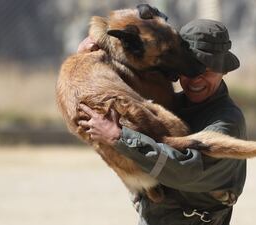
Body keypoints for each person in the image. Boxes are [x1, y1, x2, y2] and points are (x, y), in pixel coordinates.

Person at [78, 19, 246, 225]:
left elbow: (184, 170)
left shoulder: (227, 121)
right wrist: (88, 57)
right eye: (190, 70)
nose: (195, 79)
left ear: (224, 71)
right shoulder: (172, 104)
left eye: (207, 71)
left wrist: (120, 137)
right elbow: (129, 68)